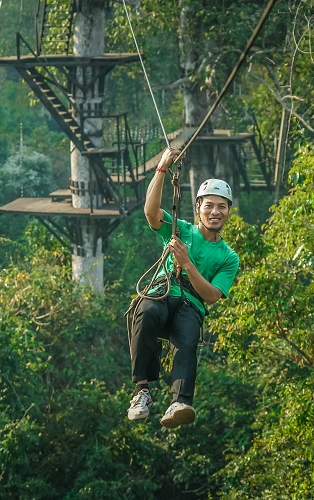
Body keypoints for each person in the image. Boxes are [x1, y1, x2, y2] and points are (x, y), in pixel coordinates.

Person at [127, 147, 240, 428]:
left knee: (188, 341)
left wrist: (188, 263)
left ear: (228, 211)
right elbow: (151, 212)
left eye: (221, 206)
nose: (215, 212)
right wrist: (162, 168)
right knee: (145, 310)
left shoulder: (228, 256)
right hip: (165, 291)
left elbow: (213, 295)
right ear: (198, 206)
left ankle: (180, 401)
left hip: (191, 304)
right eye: (209, 205)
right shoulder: (181, 229)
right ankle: (142, 390)